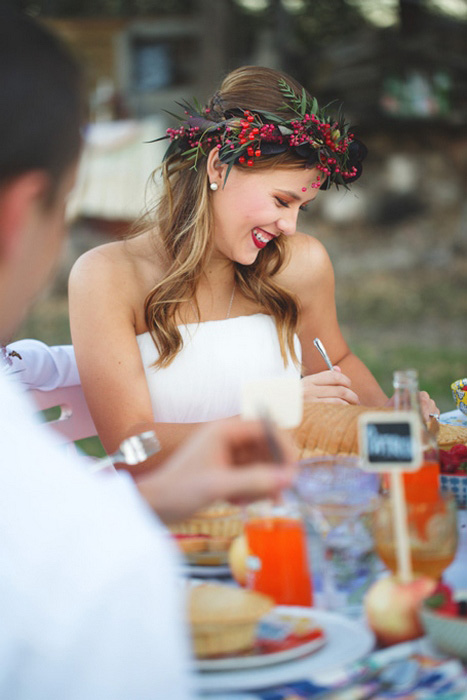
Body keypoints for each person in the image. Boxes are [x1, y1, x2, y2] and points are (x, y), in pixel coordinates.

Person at [0, 10, 296, 699]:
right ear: (20, 215)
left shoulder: (292, 267)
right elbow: (121, 450)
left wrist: (152, 499)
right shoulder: (102, 580)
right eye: (67, 204)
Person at [69, 65, 438, 468]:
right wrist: (273, 410)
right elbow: (130, 449)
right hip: (170, 519)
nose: (290, 226)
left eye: (302, 207)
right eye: (281, 201)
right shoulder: (107, 277)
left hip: (284, 510)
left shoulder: (300, 264)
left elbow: (339, 362)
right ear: (218, 167)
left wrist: (401, 427)